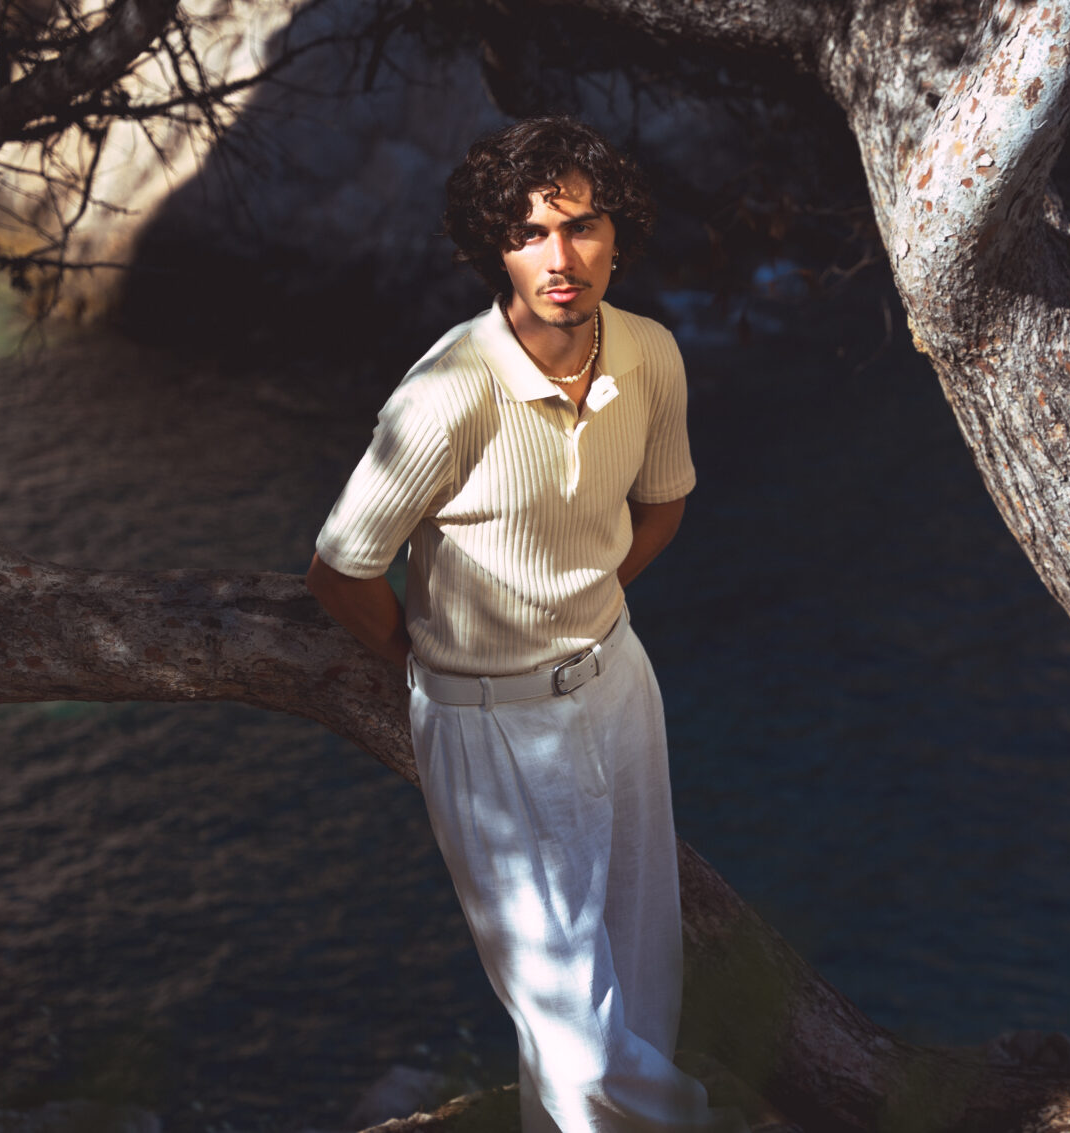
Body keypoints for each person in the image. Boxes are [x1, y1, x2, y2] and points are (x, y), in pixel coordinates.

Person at [305, 116, 745, 1133]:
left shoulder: (651, 354)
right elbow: (340, 567)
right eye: (529, 232)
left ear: (615, 235)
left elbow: (664, 501)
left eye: (581, 226)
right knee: (569, 1019)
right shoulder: (444, 394)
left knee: (640, 975)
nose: (560, 258)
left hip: (616, 685)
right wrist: (413, 655)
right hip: (485, 720)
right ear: (491, 248)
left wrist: (586, 597)